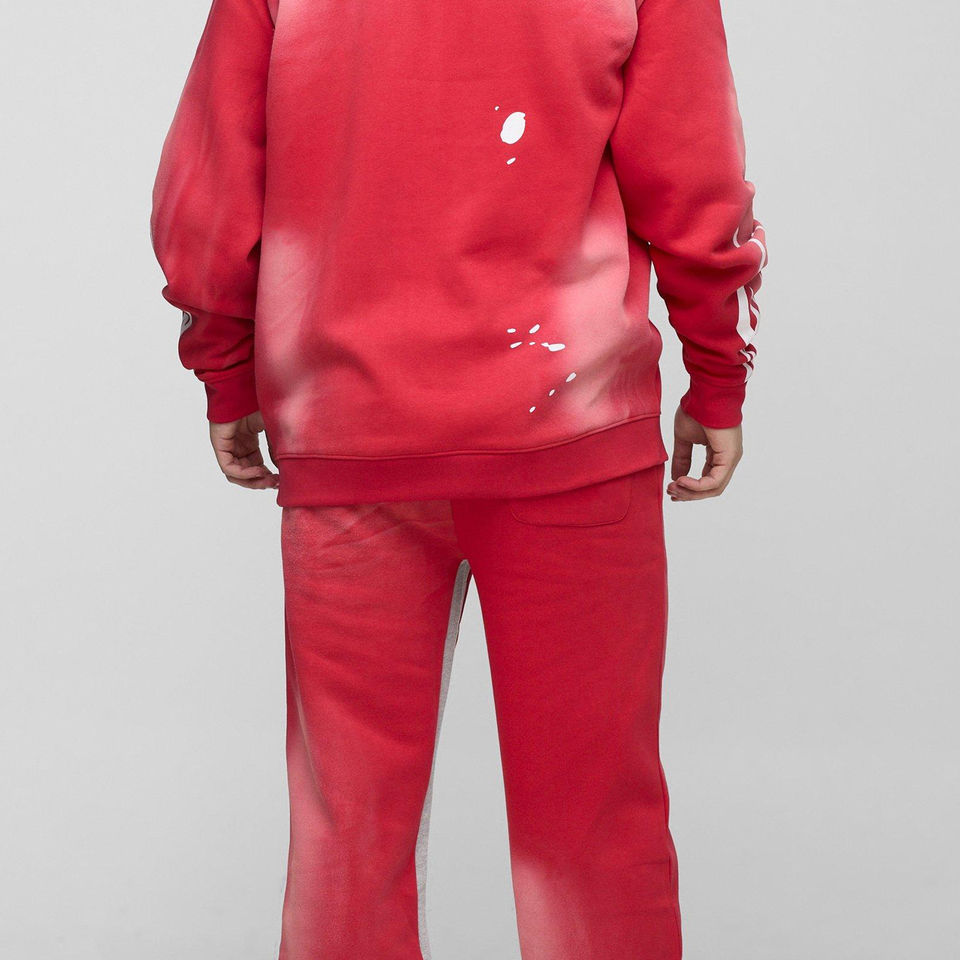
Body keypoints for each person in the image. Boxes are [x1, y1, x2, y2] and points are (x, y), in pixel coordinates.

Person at [150, 0, 766, 956]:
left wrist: (225, 367)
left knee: (349, 836)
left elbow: (214, 174)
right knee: (595, 830)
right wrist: (718, 372)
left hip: (352, 426)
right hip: (570, 434)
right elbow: (693, 175)